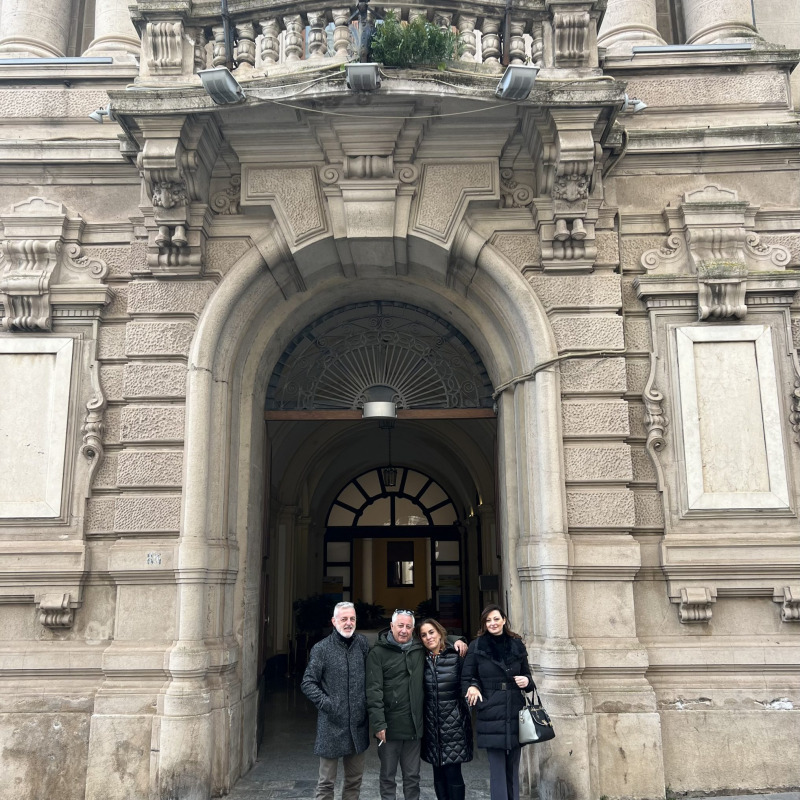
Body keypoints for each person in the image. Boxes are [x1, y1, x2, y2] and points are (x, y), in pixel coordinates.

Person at [366, 609, 467, 800]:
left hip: (414, 727)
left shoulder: (419, 648)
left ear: (412, 629)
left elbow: (436, 638)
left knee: (412, 777)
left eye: (408, 626)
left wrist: (458, 639)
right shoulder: (377, 653)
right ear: (391, 626)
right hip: (388, 728)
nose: (404, 630)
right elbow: (373, 691)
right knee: (388, 777)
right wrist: (378, 723)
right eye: (400, 626)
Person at [461, 604, 534, 800]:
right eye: (488, 620)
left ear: (504, 620)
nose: (492, 623)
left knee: (513, 766)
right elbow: (467, 677)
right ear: (484, 624)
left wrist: (527, 681)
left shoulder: (517, 644)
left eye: (495, 619)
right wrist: (473, 687)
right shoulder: (477, 646)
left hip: (515, 709)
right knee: (497, 769)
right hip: (491, 710)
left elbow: (528, 676)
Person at [301, 601, 370, 800]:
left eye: (352, 619)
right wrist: (328, 704)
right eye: (344, 619)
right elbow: (308, 683)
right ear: (334, 621)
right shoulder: (321, 649)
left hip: (358, 725)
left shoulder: (363, 644)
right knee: (326, 783)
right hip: (331, 725)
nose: (348, 623)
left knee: (354, 781)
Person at [419, 618, 473, 800]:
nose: (428, 637)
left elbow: (469, 680)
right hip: (431, 725)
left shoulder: (456, 655)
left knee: (453, 774)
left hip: (454, 724)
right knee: (438, 775)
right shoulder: (421, 658)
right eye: (424, 635)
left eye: (431, 632)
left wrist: (459, 639)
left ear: (440, 632)